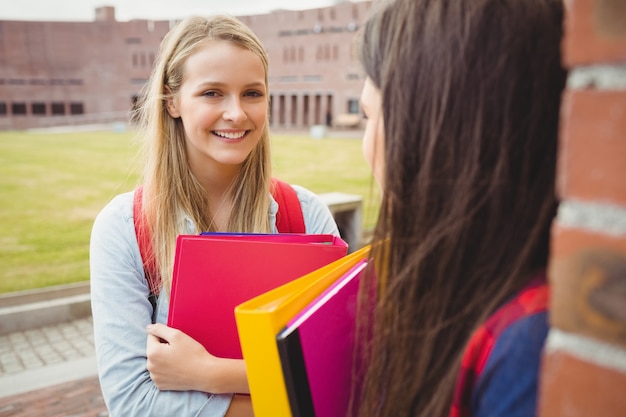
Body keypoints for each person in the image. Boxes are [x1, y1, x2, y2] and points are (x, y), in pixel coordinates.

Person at [89, 14, 339, 417]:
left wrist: (209, 374)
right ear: (172, 101)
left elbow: (337, 372)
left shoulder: (307, 216)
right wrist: (277, 392)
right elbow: (133, 402)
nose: (236, 113)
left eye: (252, 93)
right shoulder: (123, 229)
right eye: (212, 93)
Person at [354, 0, 566, 416]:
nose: (367, 148)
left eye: (368, 116)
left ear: (438, 127)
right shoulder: (478, 295)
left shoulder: (526, 348)